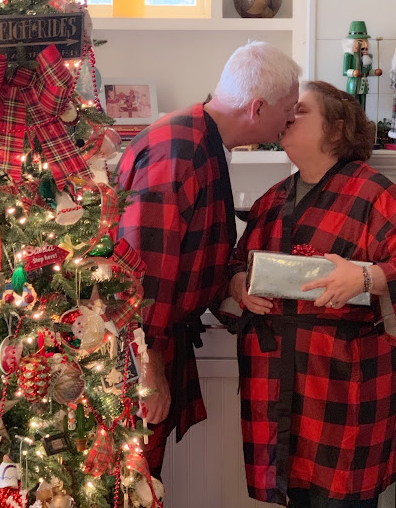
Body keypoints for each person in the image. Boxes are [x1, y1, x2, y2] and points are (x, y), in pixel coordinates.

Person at [115, 41, 301, 478]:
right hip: (139, 354)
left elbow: (194, 249)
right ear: (257, 108)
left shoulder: (203, 141)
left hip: (155, 344)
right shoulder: (179, 152)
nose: (290, 119)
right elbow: (142, 275)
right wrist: (150, 370)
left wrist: (229, 282)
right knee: (132, 481)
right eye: (288, 108)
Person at [228, 81, 396, 508]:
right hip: (277, 382)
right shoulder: (270, 201)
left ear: (337, 128)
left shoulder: (378, 195)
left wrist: (368, 279)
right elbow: (236, 263)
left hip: (345, 387)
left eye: (303, 109)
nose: (289, 114)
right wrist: (238, 284)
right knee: (293, 493)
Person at [342, 20, 381, 111]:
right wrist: (353, 72)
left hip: (363, 85)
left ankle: (362, 120)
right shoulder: (349, 56)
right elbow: (345, 71)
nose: (364, 45)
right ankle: (353, 121)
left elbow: (368, 71)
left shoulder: (368, 56)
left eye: (365, 41)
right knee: (352, 104)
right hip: (353, 85)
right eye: (360, 41)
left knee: (362, 105)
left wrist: (375, 72)